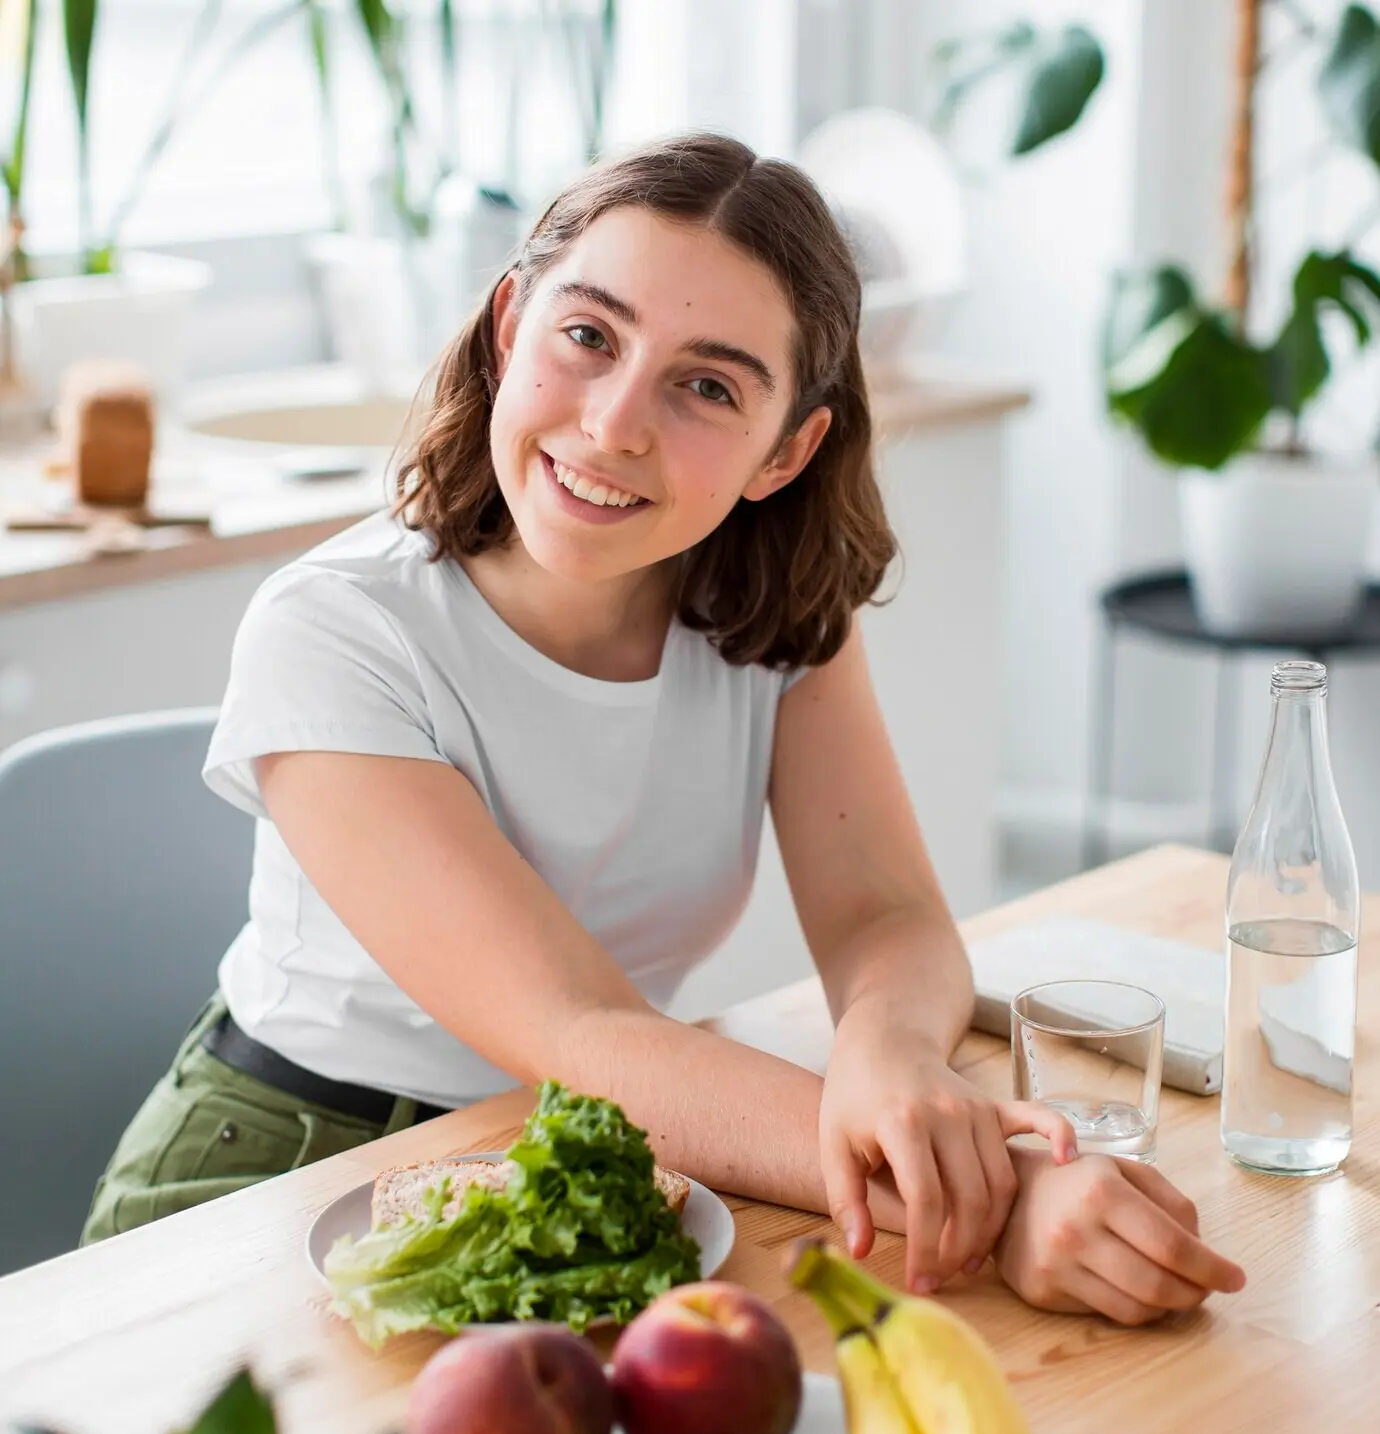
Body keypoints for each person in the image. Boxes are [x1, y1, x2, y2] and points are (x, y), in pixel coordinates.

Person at [82, 134, 1245, 1326]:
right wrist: (1000, 1198)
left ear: (785, 451)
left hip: (581, 1158)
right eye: (589, 335)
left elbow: (884, 915)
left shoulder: (775, 620)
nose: (614, 423)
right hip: (284, 1173)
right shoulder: (333, 630)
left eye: (709, 387)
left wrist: (891, 1052)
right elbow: (582, 1031)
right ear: (509, 327)